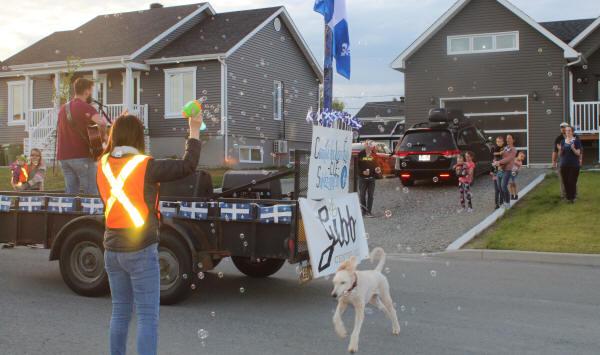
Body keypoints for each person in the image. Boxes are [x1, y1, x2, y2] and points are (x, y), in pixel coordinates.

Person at [99, 112, 203, 355]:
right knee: (147, 317)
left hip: (111, 250)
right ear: (138, 137)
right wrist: (194, 131)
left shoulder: (103, 164)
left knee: (120, 312)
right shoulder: (146, 165)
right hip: (140, 249)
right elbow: (188, 166)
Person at [56, 78, 108, 195]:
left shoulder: (63, 108)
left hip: (64, 157)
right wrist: (102, 137)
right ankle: (93, 212)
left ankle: (71, 213)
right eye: (91, 90)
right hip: (81, 155)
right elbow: (102, 123)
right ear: (86, 91)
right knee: (92, 192)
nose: (91, 93)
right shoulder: (85, 107)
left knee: (71, 193)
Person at [557, 126, 582, 203]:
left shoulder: (576, 141)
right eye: (566, 131)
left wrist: (573, 148)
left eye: (569, 130)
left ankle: (573, 197)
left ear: (572, 132)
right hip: (564, 165)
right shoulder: (562, 141)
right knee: (565, 181)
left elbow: (578, 153)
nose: (567, 132)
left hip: (574, 165)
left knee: (572, 181)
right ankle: (568, 198)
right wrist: (560, 149)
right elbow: (560, 154)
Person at [357, 140, 381, 218]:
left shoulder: (374, 155)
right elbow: (357, 166)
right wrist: (362, 172)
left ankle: (368, 212)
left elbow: (376, 166)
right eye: (368, 145)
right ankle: (363, 212)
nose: (369, 147)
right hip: (362, 178)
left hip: (371, 179)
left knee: (370, 196)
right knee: (362, 195)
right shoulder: (360, 154)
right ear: (365, 145)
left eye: (371, 145)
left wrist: (377, 170)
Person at [494, 134, 516, 208]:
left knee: (503, 186)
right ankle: (503, 202)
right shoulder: (505, 148)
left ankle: (507, 202)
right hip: (500, 169)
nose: (507, 140)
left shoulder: (513, 149)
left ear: (513, 140)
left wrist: (499, 162)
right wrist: (495, 160)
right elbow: (500, 156)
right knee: (499, 186)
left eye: (509, 138)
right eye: (507, 138)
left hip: (507, 170)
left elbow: (508, 159)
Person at [552, 123, 568, 198]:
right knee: (562, 179)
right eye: (561, 127)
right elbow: (555, 151)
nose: (563, 128)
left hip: (571, 161)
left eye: (564, 127)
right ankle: (563, 196)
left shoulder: (573, 137)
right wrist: (554, 161)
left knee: (572, 179)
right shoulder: (558, 139)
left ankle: (573, 195)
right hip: (561, 161)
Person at [490, 136, 505, 209]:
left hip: (502, 172)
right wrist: (491, 171)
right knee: (496, 189)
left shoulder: (505, 149)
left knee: (501, 188)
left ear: (503, 142)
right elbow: (493, 154)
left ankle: (502, 202)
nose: (499, 143)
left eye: (500, 141)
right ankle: (496, 204)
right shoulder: (495, 149)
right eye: (497, 141)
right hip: (495, 173)